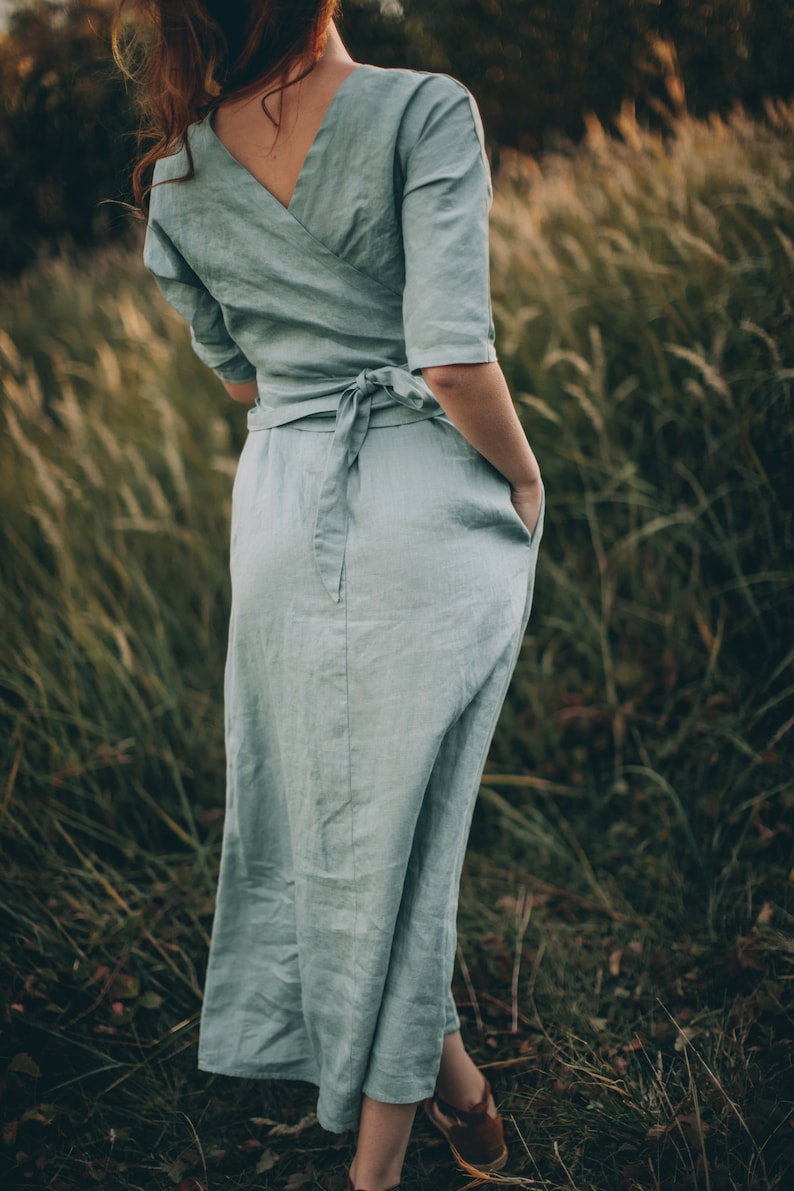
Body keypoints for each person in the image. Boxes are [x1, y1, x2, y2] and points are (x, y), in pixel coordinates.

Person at [114, 2, 544, 1188]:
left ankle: (460, 1099)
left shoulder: (179, 174)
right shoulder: (421, 111)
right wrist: (520, 472)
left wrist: (312, 384)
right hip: (421, 501)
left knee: (350, 837)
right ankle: (376, 1168)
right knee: (412, 836)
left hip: (283, 511)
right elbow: (451, 359)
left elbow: (246, 380)